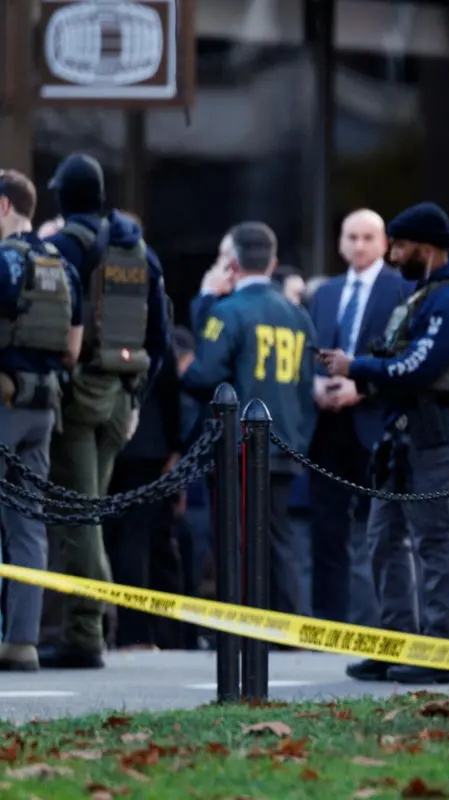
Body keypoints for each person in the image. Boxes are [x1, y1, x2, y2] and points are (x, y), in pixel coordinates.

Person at [320, 201, 449, 685]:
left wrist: (358, 369)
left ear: (427, 247)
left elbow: (422, 365)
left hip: (434, 432)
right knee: (383, 537)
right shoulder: (426, 294)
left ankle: (439, 650)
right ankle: (395, 641)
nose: (392, 255)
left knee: (434, 538)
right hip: (402, 432)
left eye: (399, 245)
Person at [39, 153, 170, 670]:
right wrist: (135, 399)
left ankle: (85, 633)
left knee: (79, 517)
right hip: (121, 400)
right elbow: (158, 338)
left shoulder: (63, 248)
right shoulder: (140, 253)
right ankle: (91, 625)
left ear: (62, 198)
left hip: (77, 398)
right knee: (88, 510)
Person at [180, 222, 316, 619]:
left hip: (238, 444)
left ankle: (238, 627)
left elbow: (204, 376)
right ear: (273, 263)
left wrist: (204, 300)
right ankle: (288, 631)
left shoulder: (229, 310)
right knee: (278, 537)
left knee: (234, 538)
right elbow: (307, 386)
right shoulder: (297, 314)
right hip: (284, 440)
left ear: (234, 265)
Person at [306, 209, 415, 626]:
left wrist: (362, 386)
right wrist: (316, 385)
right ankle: (327, 622)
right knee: (327, 531)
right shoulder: (326, 293)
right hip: (327, 426)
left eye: (369, 237)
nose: (359, 245)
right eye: (351, 237)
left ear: (385, 243)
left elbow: (405, 358)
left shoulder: (401, 290)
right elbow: (311, 349)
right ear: (340, 242)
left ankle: (379, 624)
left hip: (376, 423)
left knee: (382, 532)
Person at [0, 169, 83, 672]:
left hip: (4, 401)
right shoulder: (61, 263)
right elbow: (73, 349)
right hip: (44, 406)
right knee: (28, 526)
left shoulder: (5, 261)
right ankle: (22, 643)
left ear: (3, 206)